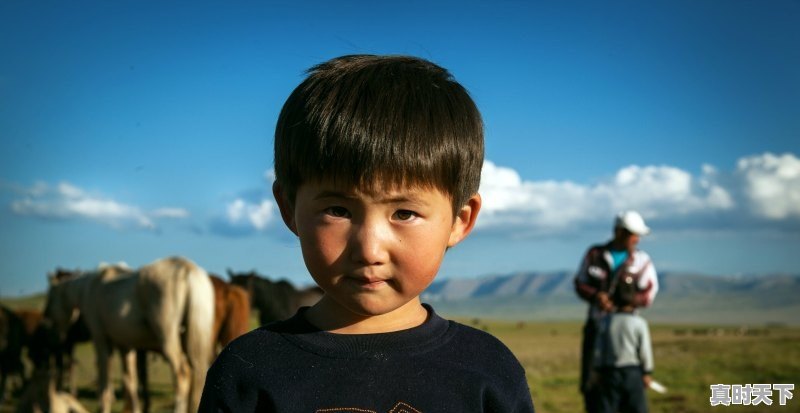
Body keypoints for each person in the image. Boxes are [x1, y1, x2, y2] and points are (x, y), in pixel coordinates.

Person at [199, 55, 535, 412]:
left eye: (404, 213)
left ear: (459, 220)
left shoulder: (488, 370)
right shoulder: (247, 372)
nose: (369, 249)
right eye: (338, 211)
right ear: (289, 208)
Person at [574, 211, 658, 413]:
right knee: (593, 385)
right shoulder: (594, 255)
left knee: (628, 384)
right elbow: (580, 283)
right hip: (596, 328)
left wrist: (625, 303)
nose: (637, 239)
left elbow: (649, 293)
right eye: (633, 234)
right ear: (619, 232)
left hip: (626, 331)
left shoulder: (642, 261)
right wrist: (596, 297)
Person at [591, 275, 654, 413]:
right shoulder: (639, 323)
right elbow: (645, 351)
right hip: (632, 373)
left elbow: (599, 350)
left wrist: (597, 370)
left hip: (610, 373)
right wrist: (647, 372)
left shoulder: (606, 322)